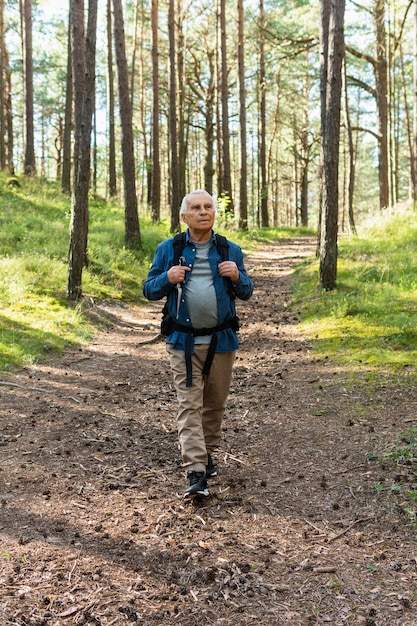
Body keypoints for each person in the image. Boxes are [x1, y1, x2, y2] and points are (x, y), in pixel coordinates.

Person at [143, 190, 254, 498]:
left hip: (222, 340)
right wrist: (168, 277)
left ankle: (206, 453)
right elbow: (149, 290)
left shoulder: (229, 249)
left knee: (214, 404)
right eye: (195, 208)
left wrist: (236, 277)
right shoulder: (170, 249)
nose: (203, 212)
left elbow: (247, 291)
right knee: (189, 404)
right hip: (182, 341)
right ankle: (196, 471)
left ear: (214, 214)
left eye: (208, 207)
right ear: (184, 216)